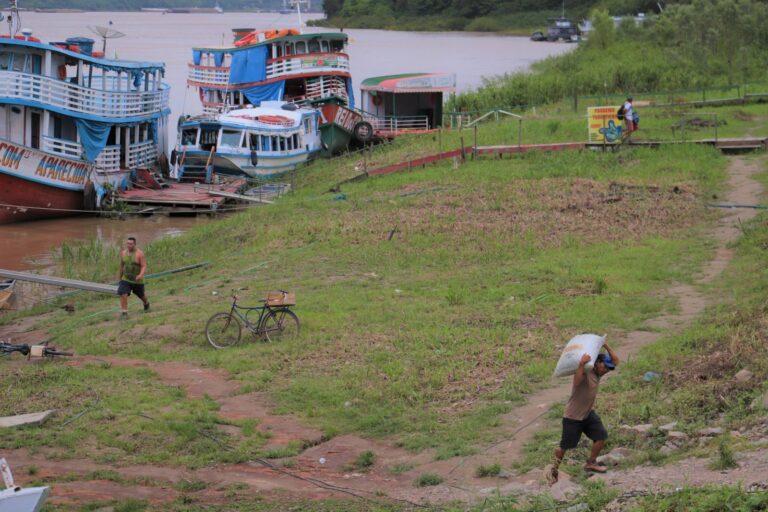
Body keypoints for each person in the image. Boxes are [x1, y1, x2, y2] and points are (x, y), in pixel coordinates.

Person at [546, 344, 620, 484]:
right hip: (572, 417)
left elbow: (616, 361)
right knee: (565, 447)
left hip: (587, 414)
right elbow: (577, 381)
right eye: (605, 366)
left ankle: (591, 463)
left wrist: (605, 345)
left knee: (601, 436)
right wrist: (581, 364)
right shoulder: (587, 371)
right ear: (597, 363)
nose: (606, 370)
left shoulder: (599, 372)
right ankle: (554, 470)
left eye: (608, 368)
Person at [118, 236, 149, 317]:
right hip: (126, 278)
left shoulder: (140, 254)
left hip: (137, 280)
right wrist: (120, 277)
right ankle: (124, 312)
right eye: (128, 243)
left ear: (134, 244)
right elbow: (121, 265)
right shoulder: (123, 253)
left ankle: (146, 303)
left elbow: (144, 266)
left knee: (141, 295)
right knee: (123, 293)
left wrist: (140, 275)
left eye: (131, 244)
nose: (129, 245)